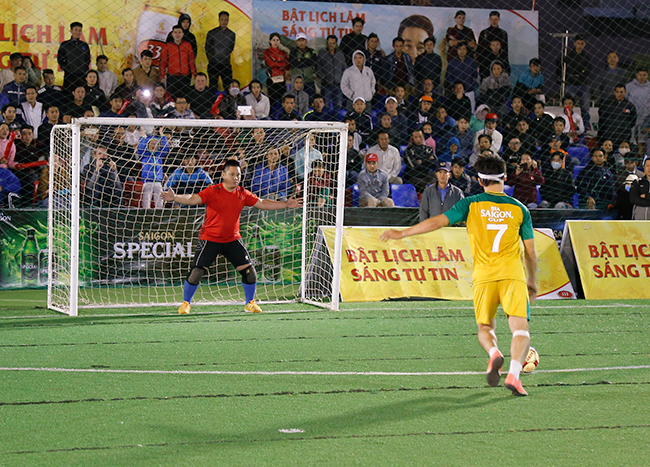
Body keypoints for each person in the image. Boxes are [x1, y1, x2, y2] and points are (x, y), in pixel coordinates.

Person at [380, 154, 537, 397]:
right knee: (520, 329)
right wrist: (532, 281)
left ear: (479, 180)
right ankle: (514, 375)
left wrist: (402, 234)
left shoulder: (470, 203)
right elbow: (531, 253)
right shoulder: (520, 209)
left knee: (485, 326)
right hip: (513, 275)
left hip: (484, 275)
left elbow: (437, 222)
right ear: (505, 178)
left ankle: (494, 354)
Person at [163, 159, 302, 314]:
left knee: (250, 273)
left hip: (232, 240)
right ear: (223, 175)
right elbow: (193, 198)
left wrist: (286, 204)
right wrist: (174, 197)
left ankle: (250, 303)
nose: (236, 177)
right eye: (232, 174)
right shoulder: (213, 191)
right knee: (196, 272)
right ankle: (186, 304)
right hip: (210, 239)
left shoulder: (242, 193)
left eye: (239, 175)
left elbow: (262, 203)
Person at [563, 35, 592, 131]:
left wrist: (579, 74)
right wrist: (578, 73)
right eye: (578, 43)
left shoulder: (586, 57)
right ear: (575, 44)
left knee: (585, 108)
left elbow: (588, 71)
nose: (579, 46)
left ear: (584, 44)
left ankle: (585, 128)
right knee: (568, 106)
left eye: (582, 44)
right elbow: (568, 69)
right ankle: (567, 126)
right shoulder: (569, 55)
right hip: (571, 83)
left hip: (583, 84)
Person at [160, 25, 197, 98]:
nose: (177, 34)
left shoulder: (188, 45)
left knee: (185, 97)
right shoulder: (167, 46)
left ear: (183, 34)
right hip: (172, 77)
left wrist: (194, 74)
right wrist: (162, 75)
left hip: (185, 77)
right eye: (175, 32)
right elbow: (163, 62)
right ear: (172, 34)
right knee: (170, 98)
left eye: (179, 32)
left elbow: (191, 61)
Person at [57, 22, 91, 92]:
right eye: (75, 30)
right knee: (68, 97)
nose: (77, 32)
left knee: (81, 96)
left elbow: (87, 59)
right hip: (69, 76)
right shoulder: (65, 45)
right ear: (71, 31)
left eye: (79, 30)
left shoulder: (84, 45)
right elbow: (60, 59)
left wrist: (84, 69)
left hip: (82, 76)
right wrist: (67, 69)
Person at [205, 11, 235, 90]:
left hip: (226, 64)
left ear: (228, 20)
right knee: (213, 87)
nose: (224, 22)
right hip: (213, 64)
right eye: (222, 19)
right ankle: (213, 102)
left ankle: (228, 102)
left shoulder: (232, 34)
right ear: (219, 20)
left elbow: (231, 48)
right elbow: (207, 48)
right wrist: (212, 60)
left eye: (226, 20)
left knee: (228, 87)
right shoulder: (211, 33)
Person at [138, 134, 169, 209]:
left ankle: (159, 214)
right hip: (147, 181)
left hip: (158, 181)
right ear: (147, 145)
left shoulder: (159, 155)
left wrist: (162, 135)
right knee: (146, 200)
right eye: (152, 143)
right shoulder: (144, 155)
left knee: (159, 201)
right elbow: (140, 146)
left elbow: (166, 147)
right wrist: (142, 136)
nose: (154, 145)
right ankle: (146, 214)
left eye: (156, 144)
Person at [316, 35, 346, 113]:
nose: (331, 45)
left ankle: (337, 123)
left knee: (338, 106)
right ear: (327, 43)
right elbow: (318, 67)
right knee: (326, 106)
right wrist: (324, 77)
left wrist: (342, 79)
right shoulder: (322, 53)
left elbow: (344, 68)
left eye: (333, 43)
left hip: (338, 85)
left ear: (336, 44)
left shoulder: (340, 54)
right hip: (326, 85)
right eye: (330, 43)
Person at [446, 44, 479, 110]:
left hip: (469, 90)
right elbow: (448, 76)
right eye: (460, 49)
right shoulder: (452, 62)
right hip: (456, 92)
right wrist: (454, 86)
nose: (462, 51)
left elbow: (475, 75)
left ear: (467, 50)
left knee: (470, 111)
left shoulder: (471, 62)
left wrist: (471, 83)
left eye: (464, 49)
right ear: (457, 50)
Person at [264, 33, 291, 109]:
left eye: (277, 40)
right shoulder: (267, 52)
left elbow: (287, 66)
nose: (275, 42)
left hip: (281, 80)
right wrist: (282, 64)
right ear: (270, 41)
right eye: (274, 40)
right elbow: (271, 64)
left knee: (282, 101)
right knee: (272, 101)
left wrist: (277, 64)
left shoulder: (282, 53)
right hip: (272, 79)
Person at [625, 68, 650, 147]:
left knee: (643, 139)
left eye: (644, 75)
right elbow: (625, 99)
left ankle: (642, 157)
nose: (642, 77)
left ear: (647, 75)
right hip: (631, 116)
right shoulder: (629, 86)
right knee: (631, 137)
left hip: (645, 117)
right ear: (636, 75)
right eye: (640, 75)